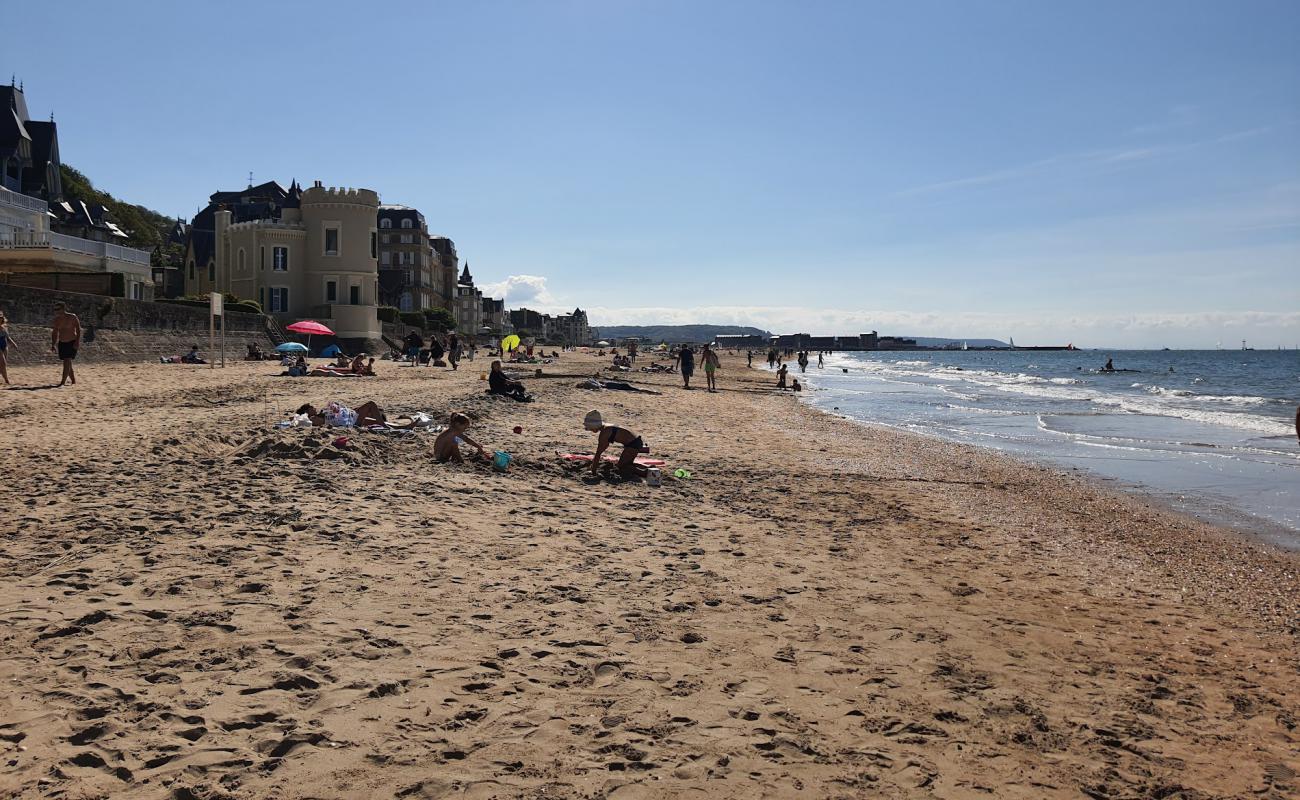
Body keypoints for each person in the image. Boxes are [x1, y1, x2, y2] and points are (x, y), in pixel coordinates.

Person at [583, 410, 648, 479]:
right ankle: (649, 469)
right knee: (627, 463)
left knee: (622, 466)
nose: (590, 430)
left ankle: (646, 473)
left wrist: (593, 471)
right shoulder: (606, 427)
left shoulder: (604, 433)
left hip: (633, 444)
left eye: (590, 427)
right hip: (635, 441)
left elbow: (598, 453)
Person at [51, 302, 81, 387]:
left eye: (58, 309)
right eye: (55, 309)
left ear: (63, 309)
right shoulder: (56, 320)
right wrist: (53, 344)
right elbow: (55, 332)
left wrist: (77, 341)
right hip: (62, 342)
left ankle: (62, 382)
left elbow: (78, 330)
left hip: (72, 341)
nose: (56, 311)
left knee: (67, 361)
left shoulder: (72, 317)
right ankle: (73, 381)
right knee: (67, 362)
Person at [296, 401, 386, 427]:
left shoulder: (321, 413)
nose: (314, 408)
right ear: (307, 411)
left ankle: (384, 423)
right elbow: (297, 420)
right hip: (352, 420)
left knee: (376, 421)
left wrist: (333, 406)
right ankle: (383, 425)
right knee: (371, 404)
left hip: (350, 415)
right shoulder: (313, 418)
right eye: (311, 407)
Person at [0, 310, 16, 384]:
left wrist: (13, 343)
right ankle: (7, 380)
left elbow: (8, 337)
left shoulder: (5, 327)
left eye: (1, 317)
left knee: (3, 364)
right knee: (3, 363)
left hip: (4, 346)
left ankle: (3, 376)